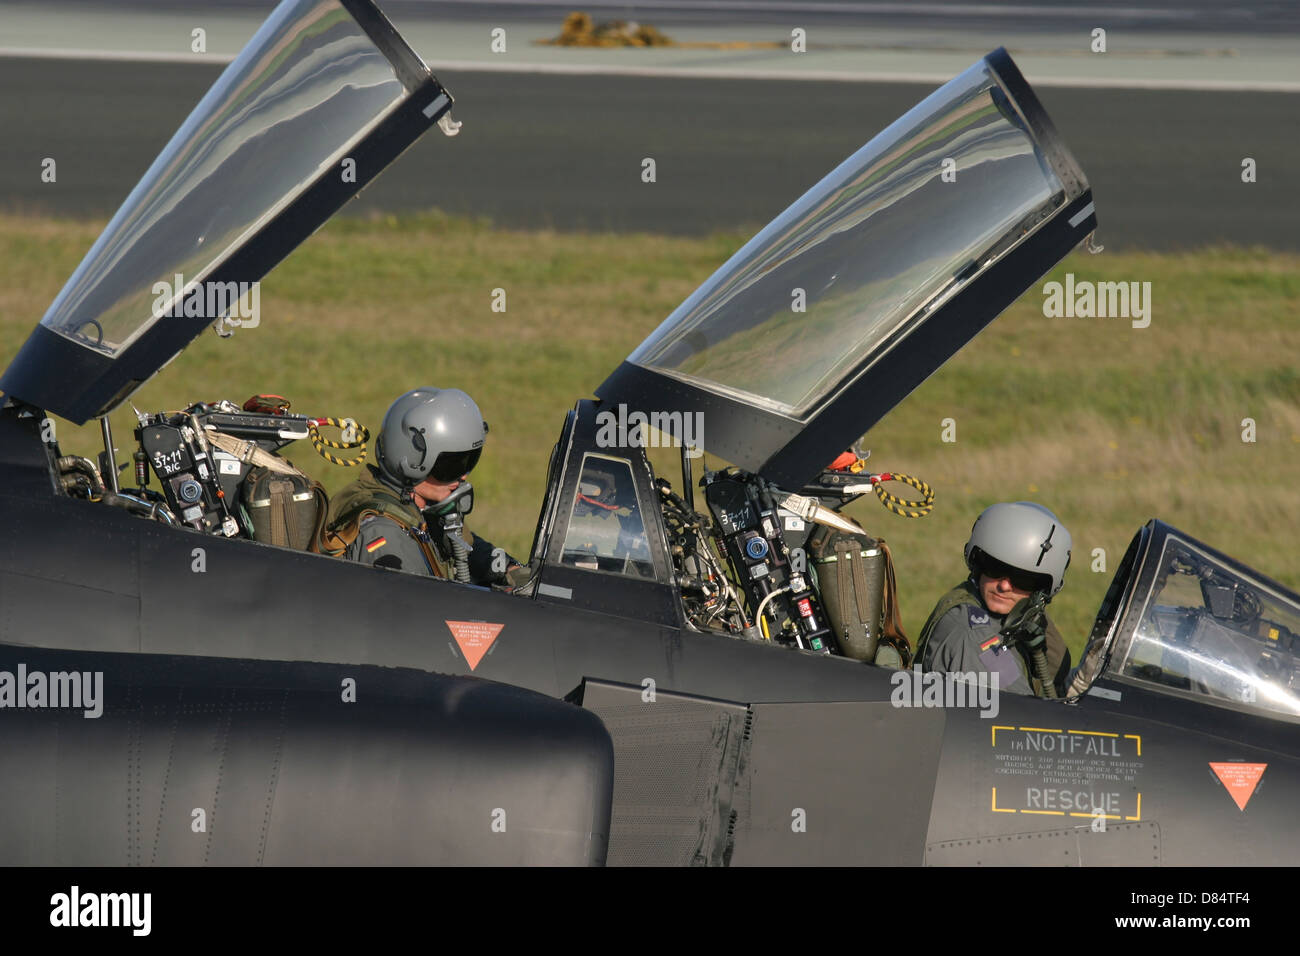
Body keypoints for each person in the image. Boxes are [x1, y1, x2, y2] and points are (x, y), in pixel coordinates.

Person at [325, 387, 524, 586]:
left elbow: (464, 545)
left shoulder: (416, 510)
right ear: (411, 462)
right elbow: (415, 610)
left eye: (469, 461)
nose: (462, 475)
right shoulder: (385, 535)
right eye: (451, 465)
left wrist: (509, 569)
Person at [913, 501, 1072, 697]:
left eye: (1023, 579)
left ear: (1041, 590)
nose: (1004, 586)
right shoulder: (974, 636)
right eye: (994, 568)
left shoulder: (1025, 615)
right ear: (978, 563)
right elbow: (1022, 714)